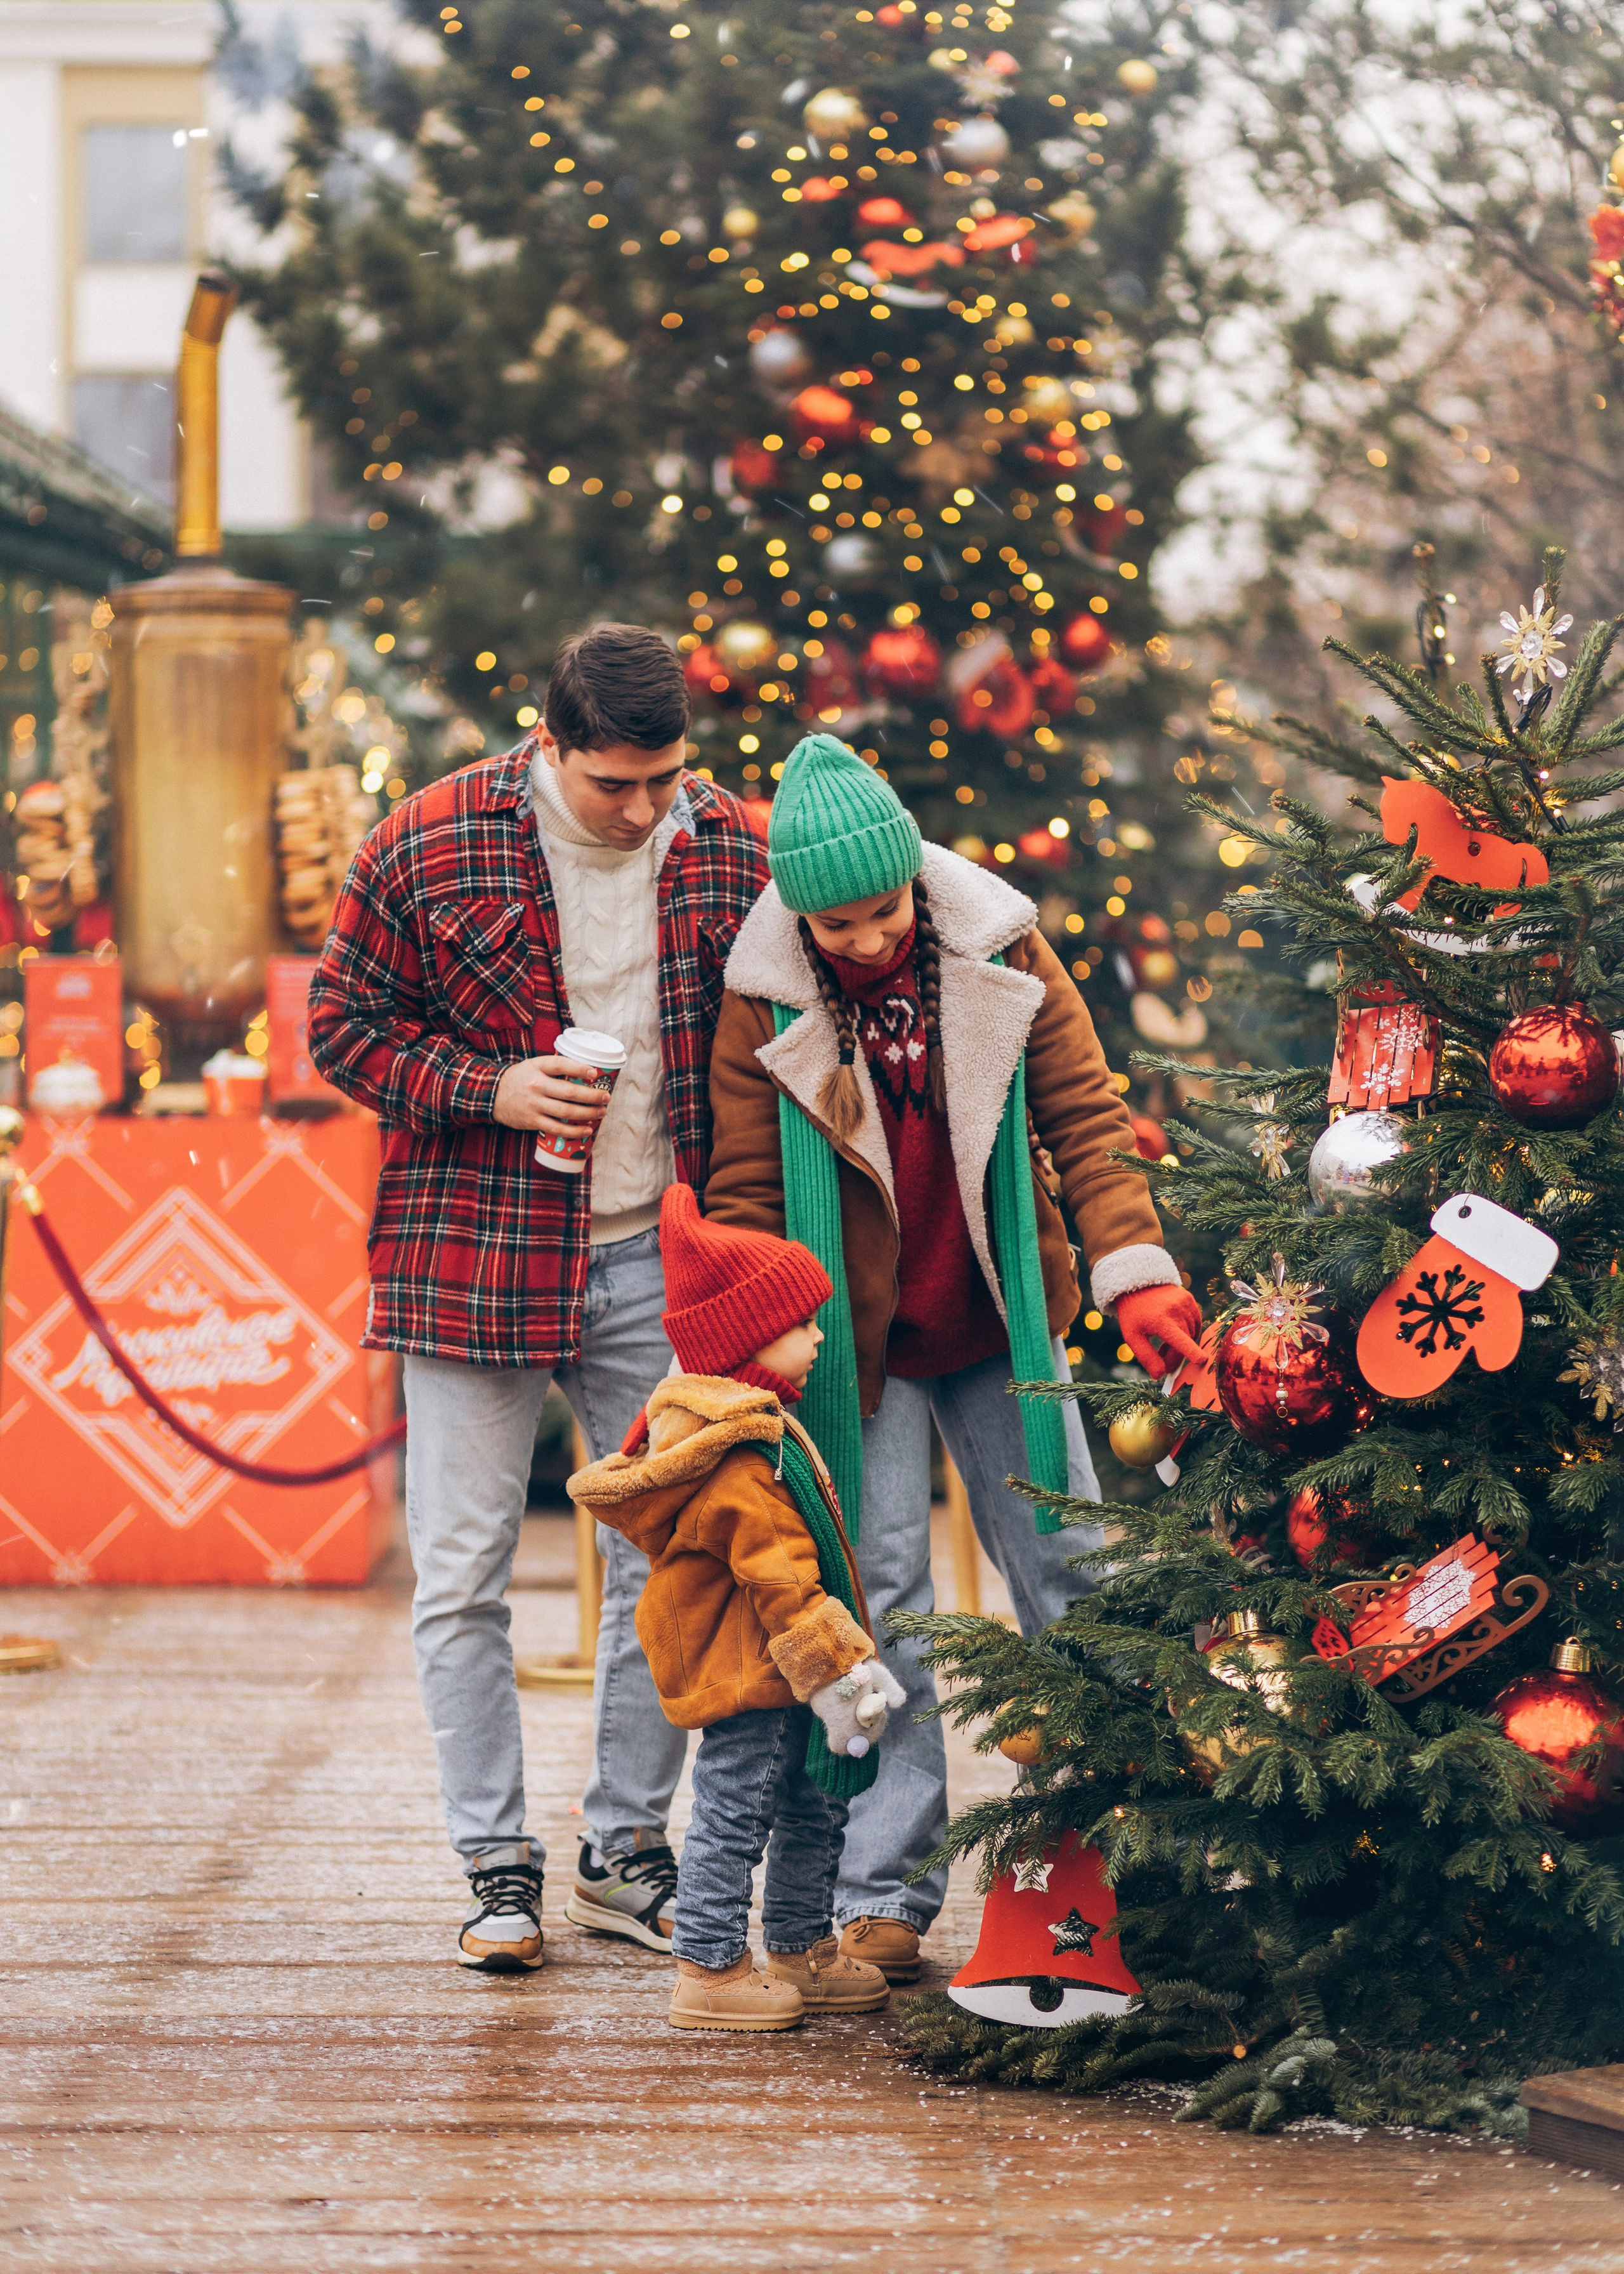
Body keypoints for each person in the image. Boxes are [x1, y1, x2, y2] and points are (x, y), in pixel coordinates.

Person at [705, 733, 1205, 1983]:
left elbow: (1088, 1116)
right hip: (848, 1345)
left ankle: (1126, 1857)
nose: (865, 940)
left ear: (915, 888)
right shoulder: (761, 992)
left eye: (882, 913)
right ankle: (885, 1890)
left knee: (1066, 1557)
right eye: (836, 925)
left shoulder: (1001, 950)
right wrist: (763, 1315)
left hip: (996, 1316)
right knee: (882, 1602)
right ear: (795, 916)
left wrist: (1131, 1265)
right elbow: (747, 1178)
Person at [307, 622, 767, 1973]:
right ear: (548, 744)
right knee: (460, 1574)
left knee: (664, 1559)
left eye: (664, 779)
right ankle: (493, 1866)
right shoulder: (426, 837)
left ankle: (626, 1852)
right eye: (613, 783)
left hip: (657, 1255)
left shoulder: (726, 842)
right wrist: (486, 1088)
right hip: (471, 1250)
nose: (642, 810)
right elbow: (342, 1024)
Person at [569, 1183, 905, 2032]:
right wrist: (839, 1670)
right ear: (750, 1337)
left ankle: (799, 1946)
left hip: (779, 1670)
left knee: (811, 1801)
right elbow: (783, 1580)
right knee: (738, 1810)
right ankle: (709, 1966)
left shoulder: (762, 1429)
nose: (822, 1338)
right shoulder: (738, 1464)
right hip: (751, 1674)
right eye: (803, 1326)